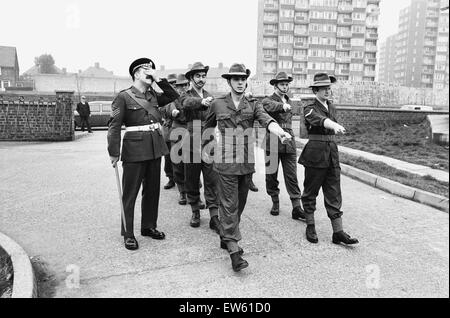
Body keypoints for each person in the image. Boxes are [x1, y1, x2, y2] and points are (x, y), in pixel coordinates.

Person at [204, 63, 292, 272]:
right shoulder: (218, 104)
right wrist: (208, 147)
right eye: (236, 79)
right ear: (229, 82)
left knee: (240, 204)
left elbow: (266, 120)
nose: (240, 82)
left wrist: (279, 131)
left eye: (243, 79)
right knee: (228, 204)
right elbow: (206, 127)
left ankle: (226, 236)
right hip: (225, 161)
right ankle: (234, 251)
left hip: (246, 161)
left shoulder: (253, 103)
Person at [107, 58, 179, 250]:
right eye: (146, 69)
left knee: (152, 191)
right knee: (130, 194)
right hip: (134, 151)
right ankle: (128, 233)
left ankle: (148, 226)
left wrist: (158, 78)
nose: (150, 71)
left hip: (155, 148)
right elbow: (114, 126)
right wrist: (114, 152)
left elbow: (173, 94)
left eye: (151, 68)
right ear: (136, 74)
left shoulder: (153, 95)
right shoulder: (123, 97)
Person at [298, 72, 359, 246]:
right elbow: (318, 120)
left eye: (328, 88)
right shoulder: (309, 108)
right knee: (311, 191)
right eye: (323, 88)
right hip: (315, 154)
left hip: (332, 154)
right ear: (315, 90)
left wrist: (335, 127)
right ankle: (310, 225)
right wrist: (333, 125)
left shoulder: (332, 107)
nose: (327, 91)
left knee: (334, 192)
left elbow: (329, 120)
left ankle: (338, 232)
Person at [178, 62, 220, 233]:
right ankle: (195, 211)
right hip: (192, 142)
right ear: (191, 78)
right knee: (192, 180)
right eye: (198, 76)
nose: (201, 79)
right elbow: (187, 104)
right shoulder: (185, 95)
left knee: (212, 179)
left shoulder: (211, 95)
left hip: (209, 142)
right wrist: (202, 101)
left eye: (203, 76)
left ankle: (214, 216)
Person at [262, 72, 305, 220]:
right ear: (275, 86)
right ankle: (275, 201)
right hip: (272, 140)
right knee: (271, 174)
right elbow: (268, 106)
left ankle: (296, 207)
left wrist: (287, 104)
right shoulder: (268, 100)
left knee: (291, 175)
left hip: (289, 141)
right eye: (282, 84)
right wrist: (282, 106)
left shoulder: (290, 100)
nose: (285, 87)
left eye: (287, 84)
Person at [167, 74, 190, 205]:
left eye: (185, 85)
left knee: (192, 163)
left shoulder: (193, 96)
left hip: (191, 131)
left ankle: (193, 192)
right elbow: (165, 108)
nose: (183, 88)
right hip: (177, 130)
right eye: (180, 86)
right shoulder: (172, 98)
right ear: (176, 86)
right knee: (177, 163)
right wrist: (172, 111)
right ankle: (182, 192)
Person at [160, 73, 177, 190]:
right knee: (168, 158)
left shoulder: (181, 96)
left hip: (180, 131)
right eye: (171, 84)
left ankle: (184, 180)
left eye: (175, 84)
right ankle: (171, 178)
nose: (173, 86)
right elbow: (160, 110)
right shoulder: (164, 98)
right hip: (167, 131)